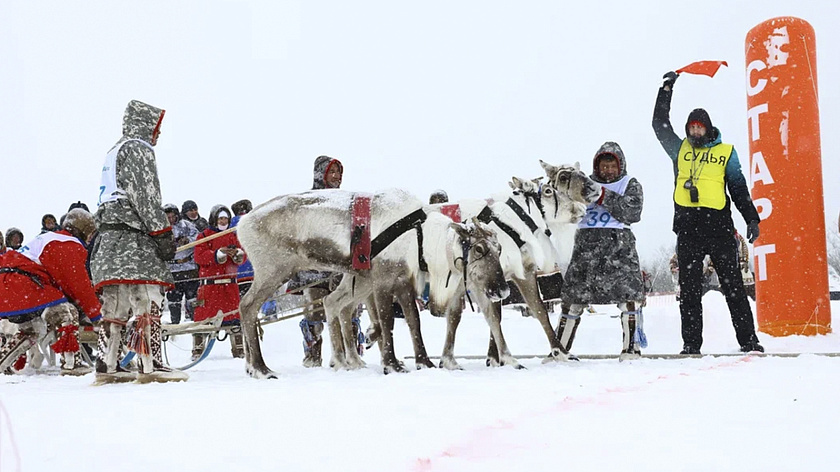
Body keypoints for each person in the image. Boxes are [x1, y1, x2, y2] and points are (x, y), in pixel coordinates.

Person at [653, 71, 763, 354]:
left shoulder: (726, 152)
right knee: (689, 293)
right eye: (691, 127)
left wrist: (751, 217)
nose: (695, 132)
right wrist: (666, 89)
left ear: (708, 128)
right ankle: (691, 345)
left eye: (700, 128)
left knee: (734, 288)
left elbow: (738, 188)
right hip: (688, 229)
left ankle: (749, 341)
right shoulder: (679, 150)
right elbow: (659, 124)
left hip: (719, 229)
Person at [90, 99, 187, 383]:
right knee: (146, 297)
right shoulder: (138, 148)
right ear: (146, 125)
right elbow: (146, 195)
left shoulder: (114, 151)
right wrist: (162, 232)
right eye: (157, 128)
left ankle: (108, 365)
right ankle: (149, 364)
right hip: (133, 236)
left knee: (115, 304)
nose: (158, 135)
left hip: (108, 238)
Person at [553, 142, 646, 361]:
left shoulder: (629, 184)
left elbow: (633, 212)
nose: (608, 170)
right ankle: (560, 350)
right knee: (572, 299)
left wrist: (604, 196)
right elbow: (564, 203)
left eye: (612, 166)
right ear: (597, 166)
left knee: (629, 298)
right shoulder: (583, 183)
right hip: (586, 247)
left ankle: (631, 349)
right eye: (604, 166)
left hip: (619, 248)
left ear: (620, 165)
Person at [0, 209, 102, 375]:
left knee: (32, 329)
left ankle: (2, 361)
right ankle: (71, 363)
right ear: (82, 230)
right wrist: (97, 316)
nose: (90, 239)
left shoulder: (46, 239)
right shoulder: (66, 243)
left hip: (6, 287)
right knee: (67, 312)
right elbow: (78, 286)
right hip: (24, 284)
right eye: (90, 234)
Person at [286, 155, 352, 367]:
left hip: (341, 266)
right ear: (321, 175)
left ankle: (346, 354)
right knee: (314, 313)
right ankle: (313, 356)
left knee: (347, 311)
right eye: (332, 172)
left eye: (339, 172)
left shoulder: (346, 200)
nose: (336, 177)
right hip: (313, 268)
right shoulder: (308, 201)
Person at [193, 205, 246, 360]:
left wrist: (237, 254)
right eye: (220, 218)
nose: (223, 221)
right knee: (204, 318)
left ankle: (239, 349)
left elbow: (243, 255)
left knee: (234, 317)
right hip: (210, 286)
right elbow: (199, 256)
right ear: (214, 219)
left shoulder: (234, 236)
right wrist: (216, 254)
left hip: (229, 285)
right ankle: (198, 349)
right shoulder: (204, 236)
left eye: (226, 219)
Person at [163, 204, 199, 324]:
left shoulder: (187, 225)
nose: (171, 219)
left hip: (189, 268)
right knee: (174, 300)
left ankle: (195, 323)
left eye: (173, 216)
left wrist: (188, 240)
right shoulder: (161, 228)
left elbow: (199, 238)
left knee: (193, 298)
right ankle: (175, 324)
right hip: (172, 270)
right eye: (168, 217)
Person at [230, 199, 254, 299]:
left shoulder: (229, 226)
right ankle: (270, 314)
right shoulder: (254, 222)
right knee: (259, 300)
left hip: (236, 273)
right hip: (254, 270)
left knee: (240, 302)